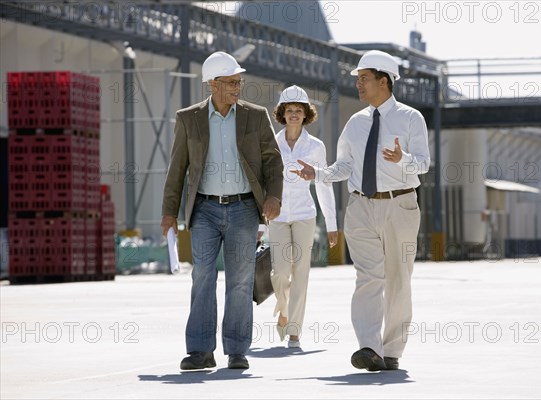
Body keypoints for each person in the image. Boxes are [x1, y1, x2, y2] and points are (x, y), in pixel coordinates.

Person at [294, 50, 430, 371]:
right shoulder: (356, 123)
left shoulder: (411, 118)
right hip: (361, 207)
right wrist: (319, 174)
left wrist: (403, 159)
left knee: (398, 279)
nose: (358, 84)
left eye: (364, 78)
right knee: (368, 277)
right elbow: (345, 165)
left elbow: (423, 164)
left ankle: (392, 349)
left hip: (400, 204)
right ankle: (370, 347)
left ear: (384, 81)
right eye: (357, 79)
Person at [160, 51, 284, 370]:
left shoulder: (255, 116)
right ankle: (201, 350)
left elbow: (272, 161)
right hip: (204, 209)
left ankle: (237, 349)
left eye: (238, 81)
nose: (237, 87)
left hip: (243, 207)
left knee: (241, 279)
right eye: (230, 82)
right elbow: (177, 168)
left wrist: (274, 197)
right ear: (212, 85)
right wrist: (169, 212)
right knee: (202, 275)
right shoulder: (188, 118)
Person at [269, 85, 338, 349]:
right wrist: (258, 222)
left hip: (304, 215)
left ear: (306, 114)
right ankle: (283, 310)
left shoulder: (316, 147)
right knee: (281, 271)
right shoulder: (271, 143)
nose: (294, 115)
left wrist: (331, 225)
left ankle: (294, 331)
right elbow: (263, 183)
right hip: (276, 215)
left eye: (299, 110)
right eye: (290, 111)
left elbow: (323, 184)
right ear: (282, 114)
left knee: (301, 272)